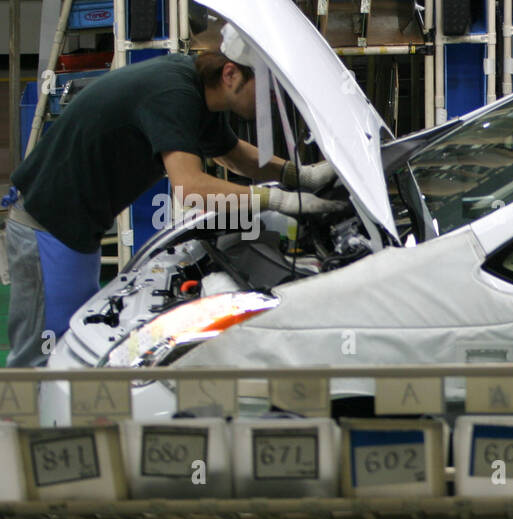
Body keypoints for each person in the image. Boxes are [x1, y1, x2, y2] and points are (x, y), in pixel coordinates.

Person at [3, 25, 341, 367]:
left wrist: (299, 175)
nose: (271, 102)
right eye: (267, 91)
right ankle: (17, 420)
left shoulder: (196, 92)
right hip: (47, 227)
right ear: (230, 73)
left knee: (76, 349)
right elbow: (190, 187)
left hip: (75, 228)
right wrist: (277, 201)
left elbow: (232, 154)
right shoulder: (174, 94)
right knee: (41, 357)